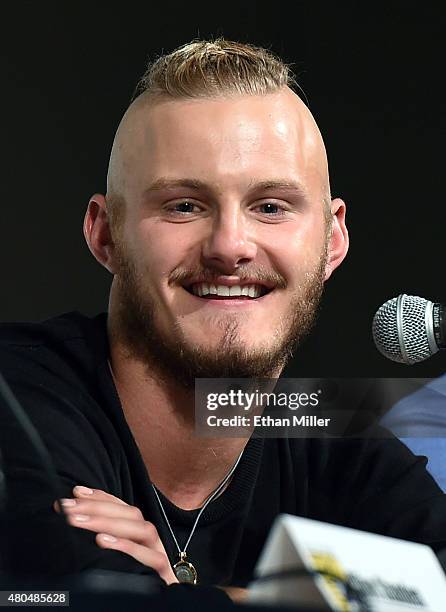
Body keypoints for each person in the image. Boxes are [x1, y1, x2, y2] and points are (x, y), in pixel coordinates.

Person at [1, 38, 446, 602]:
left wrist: (196, 595)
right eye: (184, 205)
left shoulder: (334, 439)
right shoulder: (16, 395)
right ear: (105, 233)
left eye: (271, 206)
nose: (230, 246)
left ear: (332, 241)